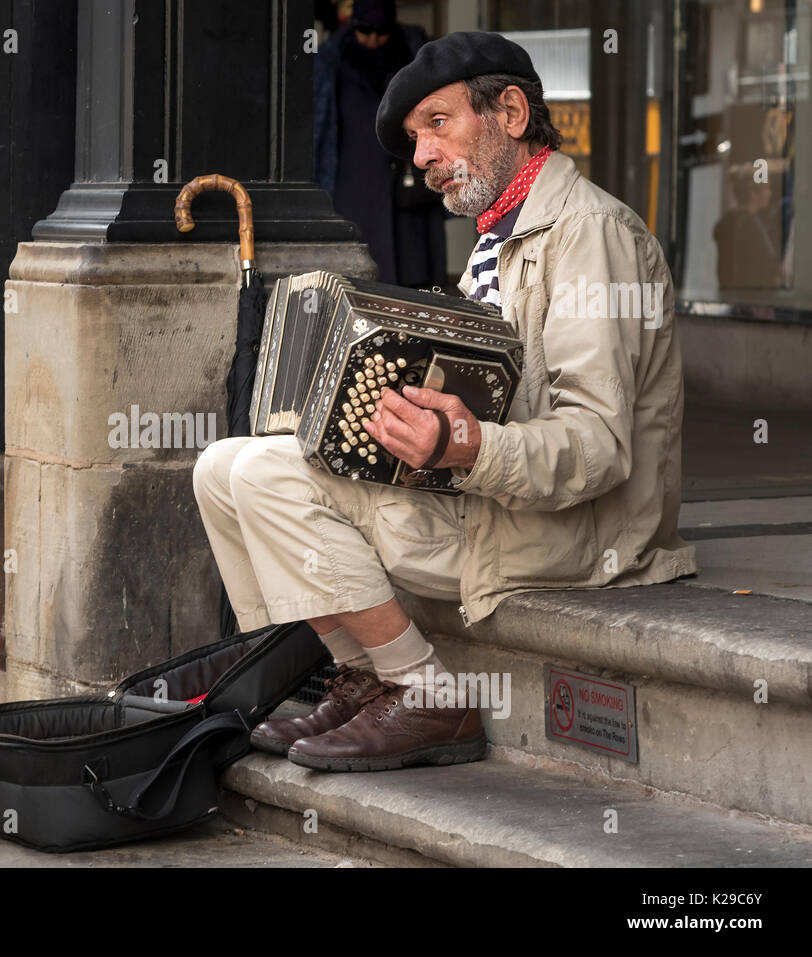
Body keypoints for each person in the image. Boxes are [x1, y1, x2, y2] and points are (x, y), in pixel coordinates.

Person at [192, 32, 697, 772]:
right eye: (413, 139)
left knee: (264, 473)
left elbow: (598, 446)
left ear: (513, 113)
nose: (421, 156)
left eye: (437, 124)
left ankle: (425, 692)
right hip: (500, 505)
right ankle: (366, 674)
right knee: (222, 465)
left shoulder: (589, 234)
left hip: (579, 533)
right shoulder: (496, 240)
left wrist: (465, 447)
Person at [314, 0, 445, 287]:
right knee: (357, 279)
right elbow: (320, 128)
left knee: (415, 276)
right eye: (365, 31)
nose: (373, 40)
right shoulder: (330, 59)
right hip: (352, 182)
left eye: (381, 32)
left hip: (407, 184)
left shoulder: (414, 54)